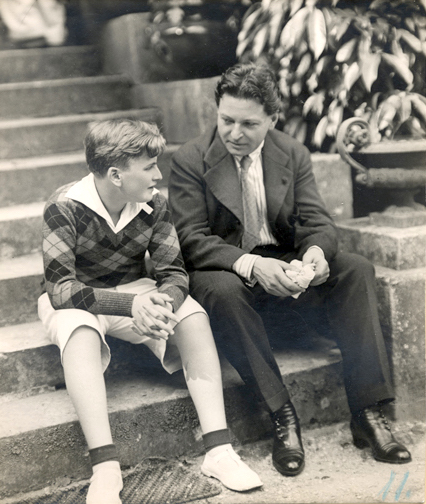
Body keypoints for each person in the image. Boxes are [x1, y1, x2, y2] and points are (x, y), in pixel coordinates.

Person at [168, 62, 412, 478]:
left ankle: (368, 412)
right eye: (226, 120)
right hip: (228, 272)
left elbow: (317, 221)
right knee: (221, 288)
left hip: (284, 268)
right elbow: (190, 238)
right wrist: (251, 264)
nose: (234, 133)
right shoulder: (190, 159)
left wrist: (314, 254)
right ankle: (281, 415)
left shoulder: (291, 152)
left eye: (249, 124)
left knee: (355, 269)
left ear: (273, 119)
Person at [37, 118, 262, 504]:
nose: (159, 175)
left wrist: (163, 305)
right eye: (149, 167)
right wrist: (131, 305)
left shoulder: (154, 203)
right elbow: (60, 289)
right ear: (115, 175)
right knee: (81, 334)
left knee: (193, 317)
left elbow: (173, 273)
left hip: (133, 289)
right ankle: (105, 468)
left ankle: (219, 451)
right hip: (78, 298)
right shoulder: (64, 206)